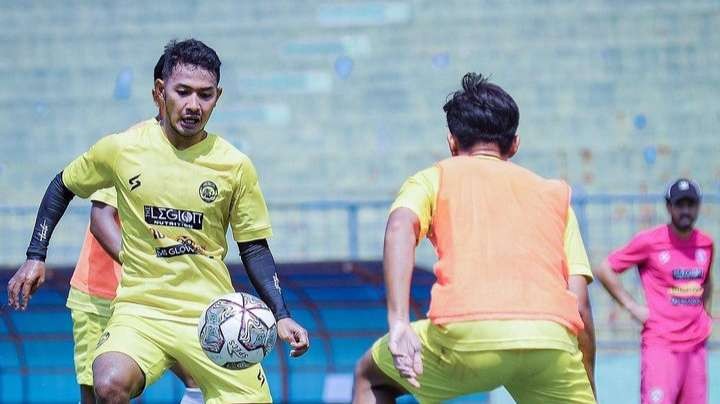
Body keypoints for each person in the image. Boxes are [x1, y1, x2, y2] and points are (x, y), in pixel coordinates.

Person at [7, 38, 309, 404]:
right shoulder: (123, 148)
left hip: (212, 317)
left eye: (205, 95)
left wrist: (282, 314)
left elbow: (254, 247)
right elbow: (63, 185)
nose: (193, 105)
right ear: (160, 92)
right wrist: (36, 254)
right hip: (141, 310)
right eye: (183, 92)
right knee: (108, 383)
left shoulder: (234, 165)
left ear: (219, 96)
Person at [352, 73, 596, 404]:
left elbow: (399, 227)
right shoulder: (554, 195)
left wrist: (399, 323)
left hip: (465, 336)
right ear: (515, 144)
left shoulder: (434, 177)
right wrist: (587, 386)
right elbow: (579, 304)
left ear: (452, 142)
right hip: (548, 338)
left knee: (370, 376)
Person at [595, 178, 714, 404]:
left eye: (691, 204)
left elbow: (706, 281)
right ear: (669, 207)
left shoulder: (705, 244)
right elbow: (605, 269)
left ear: (698, 206)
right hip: (662, 346)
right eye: (680, 204)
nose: (686, 210)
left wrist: (704, 314)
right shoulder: (650, 241)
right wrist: (632, 307)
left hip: (695, 347)